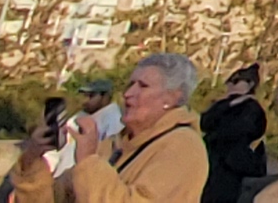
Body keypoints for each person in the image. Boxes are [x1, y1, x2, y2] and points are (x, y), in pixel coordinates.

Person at [15, 57, 203, 203]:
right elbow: (56, 198)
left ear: (171, 98)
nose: (128, 94)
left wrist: (88, 160)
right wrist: (33, 158)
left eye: (143, 86)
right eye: (130, 85)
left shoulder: (183, 147)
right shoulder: (114, 145)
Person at [196, 68, 269, 203]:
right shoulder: (224, 104)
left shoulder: (252, 109)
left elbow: (235, 132)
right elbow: (204, 122)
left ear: (250, 84)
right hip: (211, 162)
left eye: (235, 81)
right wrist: (229, 103)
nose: (230, 85)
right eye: (230, 81)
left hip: (231, 167)